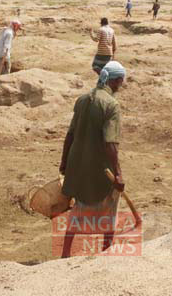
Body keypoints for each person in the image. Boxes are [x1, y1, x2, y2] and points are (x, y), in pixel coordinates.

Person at [60, 61, 127, 257]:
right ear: (116, 81)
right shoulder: (111, 105)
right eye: (121, 82)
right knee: (111, 208)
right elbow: (110, 144)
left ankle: (65, 253)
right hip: (100, 168)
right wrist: (118, 174)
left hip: (77, 164)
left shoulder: (82, 99)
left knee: (78, 209)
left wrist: (64, 162)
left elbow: (70, 135)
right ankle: (105, 252)